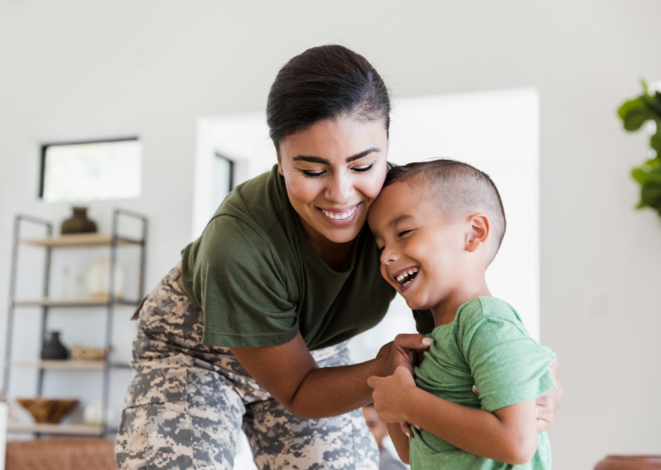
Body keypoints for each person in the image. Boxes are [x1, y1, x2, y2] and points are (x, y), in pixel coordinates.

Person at [115, 45, 563, 470]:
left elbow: (458, 338)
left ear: (386, 144)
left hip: (314, 352)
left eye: (363, 166)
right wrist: (385, 373)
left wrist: (526, 384)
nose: (342, 194)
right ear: (279, 159)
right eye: (312, 171)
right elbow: (297, 387)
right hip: (196, 353)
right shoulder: (238, 243)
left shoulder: (401, 216)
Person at [367, 160, 559, 469]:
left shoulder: (485, 321)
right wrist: (395, 379)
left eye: (403, 232)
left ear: (473, 233)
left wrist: (408, 402)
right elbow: (412, 453)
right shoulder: (429, 345)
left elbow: (517, 443)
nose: (387, 255)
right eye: (380, 246)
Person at [362, 404, 407, 470]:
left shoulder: (390, 467)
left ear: (388, 430)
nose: (364, 430)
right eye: (361, 424)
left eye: (372, 425)